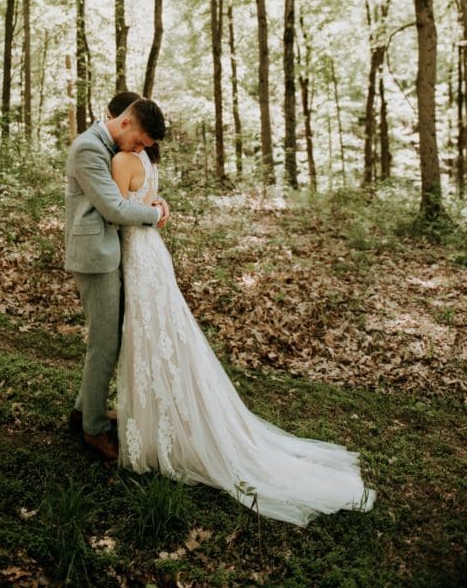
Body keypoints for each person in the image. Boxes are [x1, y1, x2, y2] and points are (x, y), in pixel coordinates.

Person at [111, 140, 377, 527]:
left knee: (152, 337)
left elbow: (118, 213)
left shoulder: (122, 159)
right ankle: (159, 425)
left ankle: (160, 436)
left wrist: (147, 212)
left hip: (139, 254)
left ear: (129, 123)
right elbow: (150, 200)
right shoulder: (147, 159)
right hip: (152, 253)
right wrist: (158, 207)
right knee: (160, 337)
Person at [65, 96, 170, 463]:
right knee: (104, 344)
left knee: (111, 339)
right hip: (95, 256)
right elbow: (113, 207)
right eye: (139, 142)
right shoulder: (88, 149)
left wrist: (154, 203)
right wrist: (154, 215)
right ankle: (93, 429)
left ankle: (83, 411)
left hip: (112, 254)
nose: (139, 150)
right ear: (126, 124)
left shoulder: (108, 146)